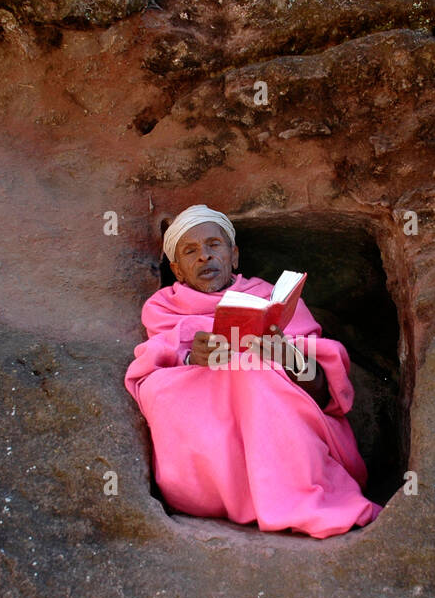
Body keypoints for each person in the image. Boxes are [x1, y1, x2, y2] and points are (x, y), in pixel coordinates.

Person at [124, 204, 382, 538]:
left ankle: (287, 494)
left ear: (233, 255)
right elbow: (150, 366)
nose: (204, 256)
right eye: (190, 251)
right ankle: (214, 493)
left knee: (254, 371)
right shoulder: (162, 307)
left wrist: (287, 359)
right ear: (177, 270)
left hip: (265, 393)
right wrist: (191, 359)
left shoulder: (267, 297)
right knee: (163, 387)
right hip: (203, 403)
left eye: (214, 245)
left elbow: (322, 392)